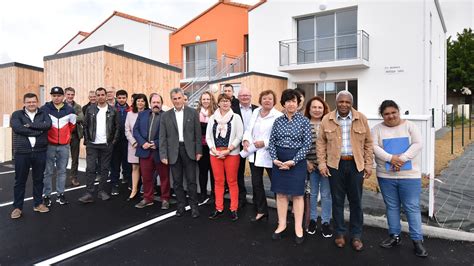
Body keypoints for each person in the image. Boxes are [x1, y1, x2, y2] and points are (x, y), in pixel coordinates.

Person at [317, 90, 373, 252]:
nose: (344, 105)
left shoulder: (361, 118)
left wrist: (368, 164)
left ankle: (356, 235)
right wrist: (322, 164)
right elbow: (321, 144)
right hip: (335, 166)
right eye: (341, 102)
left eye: (347, 102)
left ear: (351, 103)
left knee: (356, 201)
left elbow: (368, 143)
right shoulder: (327, 119)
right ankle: (340, 233)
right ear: (336, 102)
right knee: (337, 201)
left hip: (356, 165)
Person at [372, 100, 428, 257]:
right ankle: (394, 236)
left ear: (398, 111)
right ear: (382, 115)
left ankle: (417, 241)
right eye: (386, 114)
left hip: (409, 176)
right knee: (392, 206)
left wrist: (401, 159)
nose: (390, 116)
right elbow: (374, 147)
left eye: (393, 112)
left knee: (411, 207)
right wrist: (391, 158)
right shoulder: (376, 129)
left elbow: (418, 144)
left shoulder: (410, 126)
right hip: (386, 175)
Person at [268, 89, 311, 244]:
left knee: (298, 195)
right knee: (280, 194)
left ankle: (298, 227)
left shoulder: (304, 121)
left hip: (297, 162)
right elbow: (271, 142)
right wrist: (274, 158)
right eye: (288, 101)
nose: (291, 104)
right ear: (284, 104)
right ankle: (282, 224)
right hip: (279, 161)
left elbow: (307, 145)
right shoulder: (277, 121)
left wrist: (293, 160)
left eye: (294, 101)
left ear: (298, 104)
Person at [159, 88, 202, 218]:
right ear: (171, 100)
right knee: (177, 182)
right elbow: (162, 137)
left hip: (189, 150)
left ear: (183, 98)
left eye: (179, 98)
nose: (177, 101)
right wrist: (163, 155)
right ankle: (181, 205)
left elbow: (198, 134)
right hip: (173, 152)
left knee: (191, 181)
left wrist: (198, 151)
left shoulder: (193, 112)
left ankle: (194, 207)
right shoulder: (165, 116)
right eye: (174, 98)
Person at [10, 93, 52, 219]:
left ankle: (38, 204)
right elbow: (18, 129)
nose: (31, 104)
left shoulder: (44, 113)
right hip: (22, 152)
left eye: (33, 102)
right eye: (28, 102)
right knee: (20, 181)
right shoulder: (17, 114)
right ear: (24, 103)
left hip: (40, 151)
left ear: (37, 102)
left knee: (38, 179)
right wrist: (39, 131)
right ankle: (17, 207)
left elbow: (48, 125)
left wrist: (31, 126)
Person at [242, 90, 282, 222]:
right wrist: (246, 140)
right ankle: (261, 211)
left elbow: (280, 137)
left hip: (270, 155)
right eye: (264, 98)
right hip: (254, 153)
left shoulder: (278, 115)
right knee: (256, 183)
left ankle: (281, 214)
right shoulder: (256, 112)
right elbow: (249, 129)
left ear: (274, 100)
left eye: (270, 99)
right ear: (260, 100)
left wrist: (264, 143)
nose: (267, 101)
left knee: (276, 185)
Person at [206, 93, 244, 221]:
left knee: (232, 181)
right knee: (218, 181)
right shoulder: (212, 118)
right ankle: (219, 208)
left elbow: (239, 136)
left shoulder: (236, 117)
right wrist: (213, 150)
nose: (225, 103)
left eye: (227, 101)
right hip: (215, 154)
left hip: (231, 154)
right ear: (218, 103)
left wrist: (228, 150)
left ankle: (233, 208)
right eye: (222, 101)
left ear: (230, 103)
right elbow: (208, 137)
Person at [78, 87, 120, 203]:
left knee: (105, 168)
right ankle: (89, 193)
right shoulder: (90, 110)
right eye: (98, 95)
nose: (100, 97)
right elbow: (85, 126)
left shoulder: (113, 110)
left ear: (106, 96)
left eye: (102, 94)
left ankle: (101, 191)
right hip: (92, 144)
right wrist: (87, 140)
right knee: (90, 168)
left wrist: (113, 141)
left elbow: (117, 127)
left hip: (107, 145)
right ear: (95, 97)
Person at [133, 93, 171, 209]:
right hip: (144, 151)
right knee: (146, 177)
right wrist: (142, 143)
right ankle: (147, 198)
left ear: (161, 103)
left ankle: (165, 199)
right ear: (150, 103)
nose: (156, 105)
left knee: (164, 177)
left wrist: (157, 144)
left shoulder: (167, 116)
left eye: (158, 102)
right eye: (154, 102)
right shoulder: (142, 114)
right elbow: (136, 130)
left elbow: (170, 135)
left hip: (160, 152)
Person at [41, 86, 76, 206]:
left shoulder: (70, 110)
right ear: (51, 96)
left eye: (59, 96)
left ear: (63, 96)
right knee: (48, 172)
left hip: (64, 146)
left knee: (62, 171)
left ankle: (60, 194)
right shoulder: (45, 109)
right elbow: (41, 125)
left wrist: (65, 137)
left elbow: (72, 126)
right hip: (49, 145)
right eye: (54, 96)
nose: (56, 98)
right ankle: (46, 195)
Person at [304, 96, 332, 237]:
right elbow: (299, 145)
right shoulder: (303, 123)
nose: (317, 110)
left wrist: (325, 164)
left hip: (326, 166)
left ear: (324, 109)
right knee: (313, 194)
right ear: (309, 109)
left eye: (319, 107)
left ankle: (326, 222)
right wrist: (306, 162)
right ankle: (313, 220)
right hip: (310, 166)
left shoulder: (328, 124)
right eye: (314, 107)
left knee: (326, 195)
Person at [233, 86, 258, 208]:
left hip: (255, 146)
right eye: (242, 95)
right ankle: (241, 197)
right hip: (239, 146)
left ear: (250, 96)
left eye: (247, 95)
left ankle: (257, 198)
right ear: (238, 97)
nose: (245, 97)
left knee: (256, 173)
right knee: (239, 173)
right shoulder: (233, 110)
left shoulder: (258, 110)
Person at [124, 93, 148, 201]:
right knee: (135, 167)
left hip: (145, 145)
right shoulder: (130, 114)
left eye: (142, 101)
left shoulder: (149, 113)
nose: (140, 103)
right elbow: (127, 130)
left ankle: (146, 189)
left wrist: (144, 143)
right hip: (134, 145)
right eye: (138, 100)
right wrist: (134, 142)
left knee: (146, 168)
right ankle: (134, 190)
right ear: (135, 102)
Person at [109, 89, 132, 195]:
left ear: (126, 98)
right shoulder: (112, 110)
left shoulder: (131, 110)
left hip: (127, 141)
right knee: (115, 164)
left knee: (127, 164)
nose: (122, 100)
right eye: (119, 98)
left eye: (123, 98)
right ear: (116, 98)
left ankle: (128, 182)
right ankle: (114, 185)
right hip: (115, 141)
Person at [196, 91, 217, 203]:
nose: (206, 101)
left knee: (214, 172)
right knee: (203, 172)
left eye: (208, 99)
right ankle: (203, 193)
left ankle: (214, 194)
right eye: (204, 99)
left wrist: (204, 129)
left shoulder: (216, 112)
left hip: (213, 147)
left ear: (211, 100)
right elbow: (196, 131)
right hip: (202, 147)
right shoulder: (197, 113)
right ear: (201, 100)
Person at [64, 87, 84, 187]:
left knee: (75, 158)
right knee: (63, 158)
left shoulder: (78, 106)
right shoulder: (60, 105)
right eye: (68, 94)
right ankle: (62, 178)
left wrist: (67, 118)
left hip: (75, 135)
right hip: (63, 136)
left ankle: (73, 177)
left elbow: (81, 117)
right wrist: (73, 117)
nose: (70, 96)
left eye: (72, 94)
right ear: (65, 95)